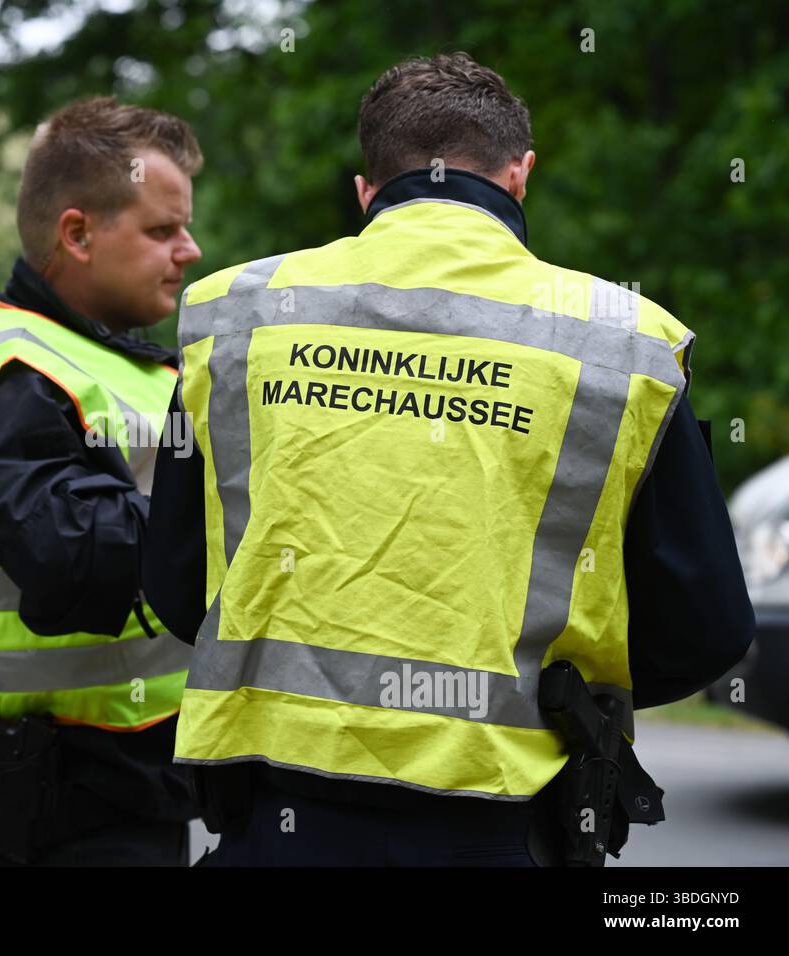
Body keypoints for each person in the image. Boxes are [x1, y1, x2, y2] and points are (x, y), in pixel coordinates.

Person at [142, 53, 755, 866]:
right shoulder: (624, 345)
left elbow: (179, 584)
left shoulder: (235, 316)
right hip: (505, 829)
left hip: (279, 824)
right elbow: (707, 628)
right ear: (521, 175)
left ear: (366, 190)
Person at [0, 97, 203, 865]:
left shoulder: (116, 357)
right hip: (50, 799)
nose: (190, 250)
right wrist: (233, 515)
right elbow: (69, 556)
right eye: (162, 230)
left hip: (129, 777)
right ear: (77, 233)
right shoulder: (6, 375)